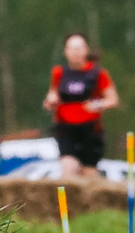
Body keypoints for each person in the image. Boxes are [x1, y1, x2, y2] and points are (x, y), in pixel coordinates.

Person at [42, 33, 120, 178]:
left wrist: (98, 104)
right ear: (65, 52)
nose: (74, 53)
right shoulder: (59, 73)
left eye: (78, 49)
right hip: (66, 128)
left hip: (90, 129)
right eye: (71, 49)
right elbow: (52, 95)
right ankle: (69, 199)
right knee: (68, 167)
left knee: (89, 173)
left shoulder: (98, 74)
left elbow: (113, 99)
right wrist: (50, 101)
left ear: (86, 51)